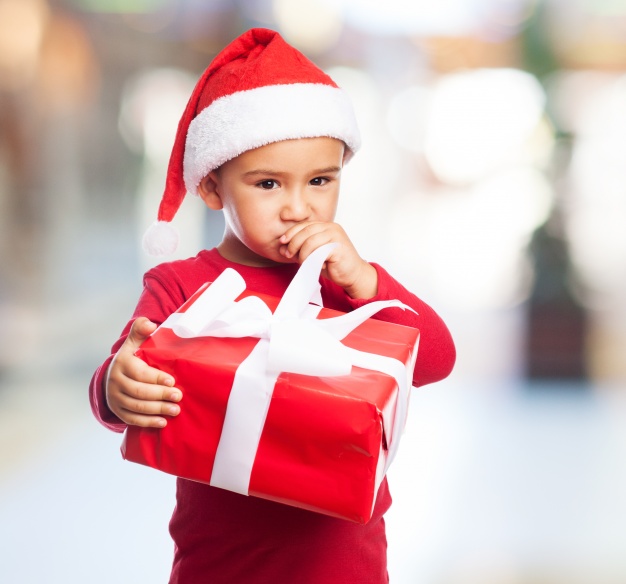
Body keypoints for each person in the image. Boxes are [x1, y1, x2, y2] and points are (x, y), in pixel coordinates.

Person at [90, 28, 456, 584]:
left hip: (343, 566)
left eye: (319, 181)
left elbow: (435, 359)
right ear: (212, 189)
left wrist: (365, 281)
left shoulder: (343, 283)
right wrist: (118, 383)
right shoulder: (180, 284)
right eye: (267, 184)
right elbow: (121, 389)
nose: (298, 207)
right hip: (219, 564)